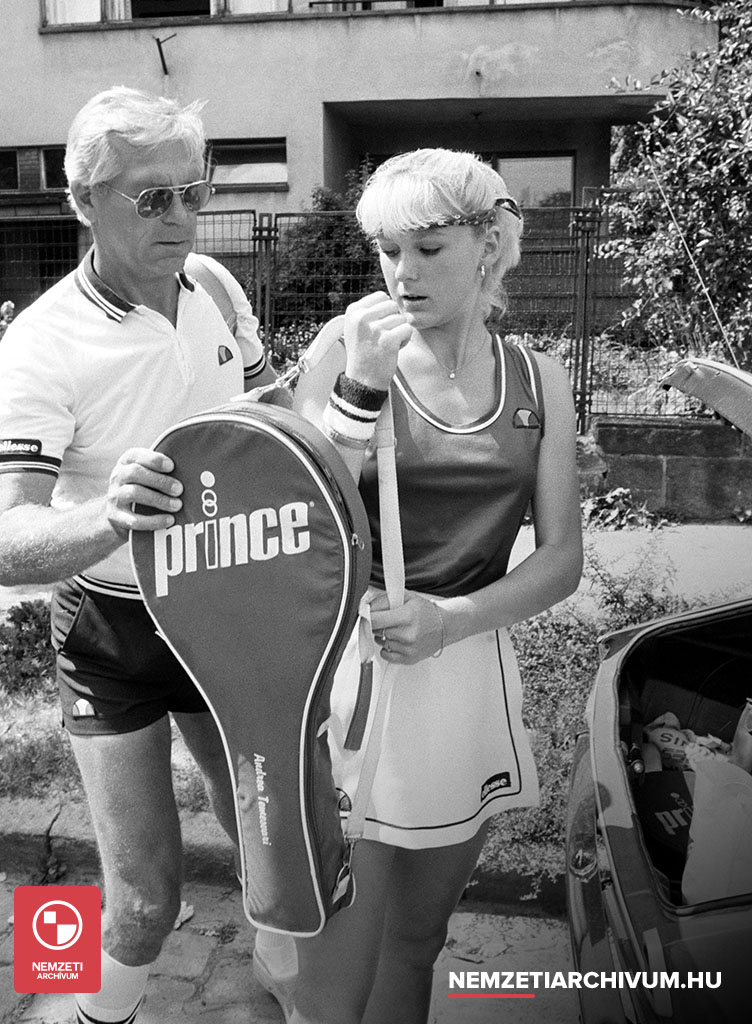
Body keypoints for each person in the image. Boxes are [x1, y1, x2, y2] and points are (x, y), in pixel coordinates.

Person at [0, 86, 281, 1024]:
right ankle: (71, 1006)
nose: (181, 217)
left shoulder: (217, 287)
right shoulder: (41, 343)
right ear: (84, 202)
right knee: (144, 903)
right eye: (152, 198)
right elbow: (6, 546)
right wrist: (111, 517)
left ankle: (290, 994)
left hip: (225, 605)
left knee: (279, 854)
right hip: (114, 627)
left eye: (193, 191)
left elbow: (275, 415)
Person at [289, 148, 584, 1023]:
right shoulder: (345, 349)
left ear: (488, 246)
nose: (402, 274)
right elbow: (297, 518)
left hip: (466, 671)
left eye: (428, 249)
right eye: (388, 251)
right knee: (333, 974)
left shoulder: (539, 378)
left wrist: (452, 620)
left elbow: (561, 560)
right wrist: (359, 390)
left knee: (416, 942)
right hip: (350, 674)